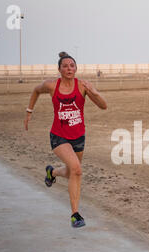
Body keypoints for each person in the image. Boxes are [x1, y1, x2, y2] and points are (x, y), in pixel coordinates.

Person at [24, 52, 108, 228]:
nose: (69, 68)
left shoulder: (83, 86)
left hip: (78, 136)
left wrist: (95, 92)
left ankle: (52, 173)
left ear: (76, 69)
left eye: (72, 66)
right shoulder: (51, 85)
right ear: (59, 69)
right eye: (65, 66)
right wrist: (29, 112)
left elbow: (103, 106)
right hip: (59, 135)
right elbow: (36, 91)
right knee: (77, 169)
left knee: (71, 172)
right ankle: (75, 215)